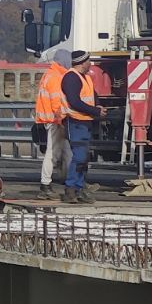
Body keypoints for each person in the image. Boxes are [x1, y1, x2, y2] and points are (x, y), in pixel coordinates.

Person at [61, 50, 106, 204]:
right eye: (88, 61)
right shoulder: (71, 78)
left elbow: (92, 95)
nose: (90, 64)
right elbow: (74, 101)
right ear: (81, 62)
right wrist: (95, 110)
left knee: (83, 158)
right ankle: (70, 189)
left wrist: (98, 105)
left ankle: (78, 189)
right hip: (75, 122)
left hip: (84, 121)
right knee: (79, 157)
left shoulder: (84, 77)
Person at [34, 49, 73, 200]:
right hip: (55, 120)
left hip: (52, 120)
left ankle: (74, 183)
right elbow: (57, 102)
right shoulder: (57, 77)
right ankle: (45, 185)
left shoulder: (51, 74)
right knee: (53, 153)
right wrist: (62, 119)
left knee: (65, 152)